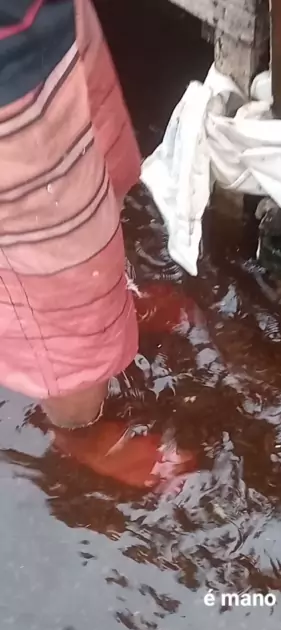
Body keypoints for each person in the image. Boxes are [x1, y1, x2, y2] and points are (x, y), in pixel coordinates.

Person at [0, 0, 194, 489]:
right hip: (10, 86)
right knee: (47, 274)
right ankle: (80, 431)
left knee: (93, 174)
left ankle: (104, 309)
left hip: (46, 29)